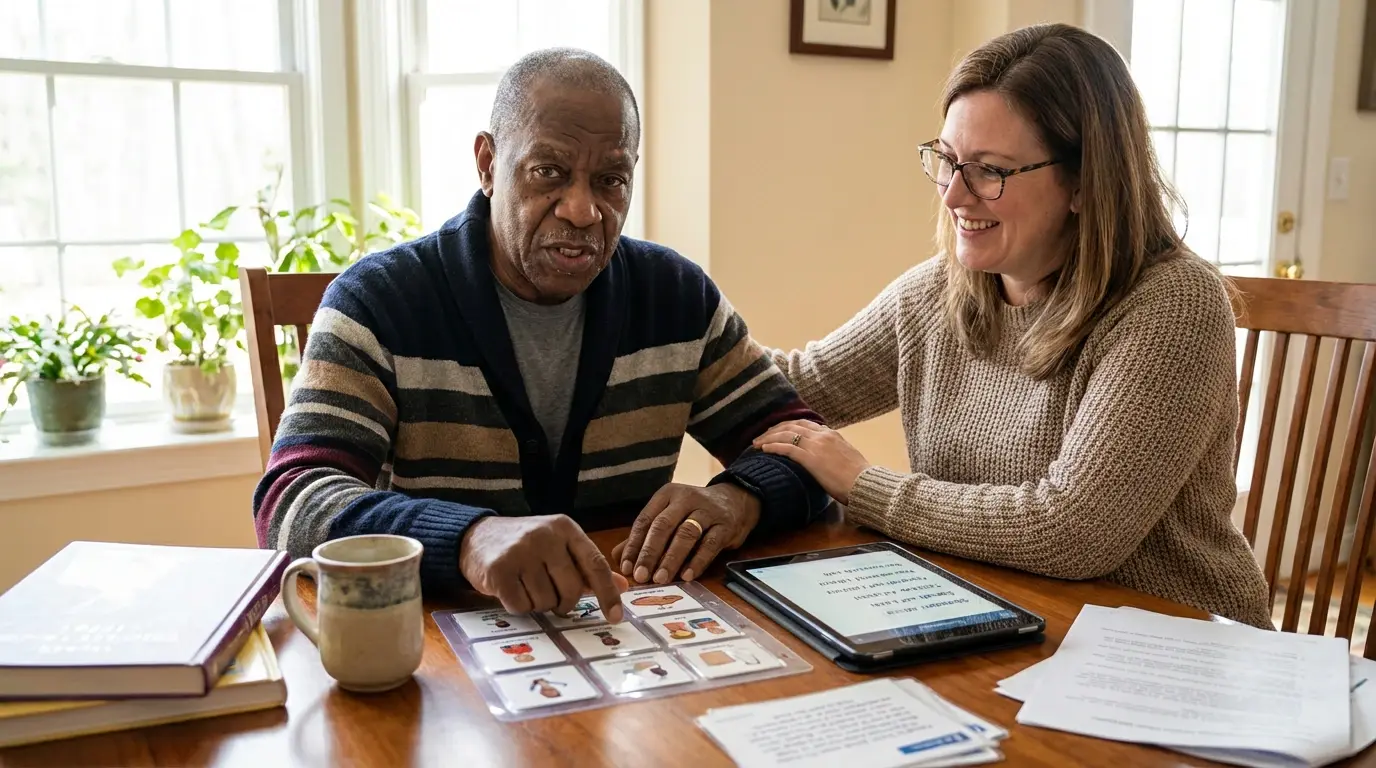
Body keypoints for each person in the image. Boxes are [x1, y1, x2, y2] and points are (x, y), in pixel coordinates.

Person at [252, 48, 828, 623]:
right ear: (487, 164)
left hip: (625, 641)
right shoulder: (379, 302)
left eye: (610, 181)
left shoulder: (676, 297)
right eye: (548, 172)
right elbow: (290, 502)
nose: (583, 210)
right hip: (436, 653)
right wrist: (469, 539)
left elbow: (808, 446)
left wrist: (736, 499)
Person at [748, 24, 1272, 628]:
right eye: (946, 162)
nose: (953, 197)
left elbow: (1072, 531)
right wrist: (647, 287)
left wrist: (862, 483)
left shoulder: (1172, 305)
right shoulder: (933, 294)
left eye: (989, 171)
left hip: (1182, 646)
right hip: (1013, 623)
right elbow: (788, 387)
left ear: (1083, 181)